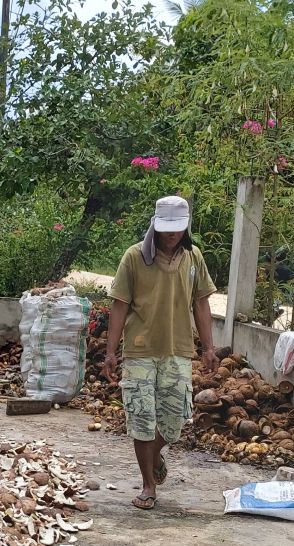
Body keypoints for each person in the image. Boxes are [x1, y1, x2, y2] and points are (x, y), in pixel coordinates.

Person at [102, 196, 219, 510]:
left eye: (178, 229)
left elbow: (201, 304)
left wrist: (208, 348)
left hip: (178, 349)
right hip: (140, 351)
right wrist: (111, 353)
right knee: (141, 418)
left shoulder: (193, 257)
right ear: (155, 224)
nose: (172, 235)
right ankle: (148, 485)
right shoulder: (134, 257)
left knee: (174, 420)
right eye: (167, 229)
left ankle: (153, 456)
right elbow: (119, 305)